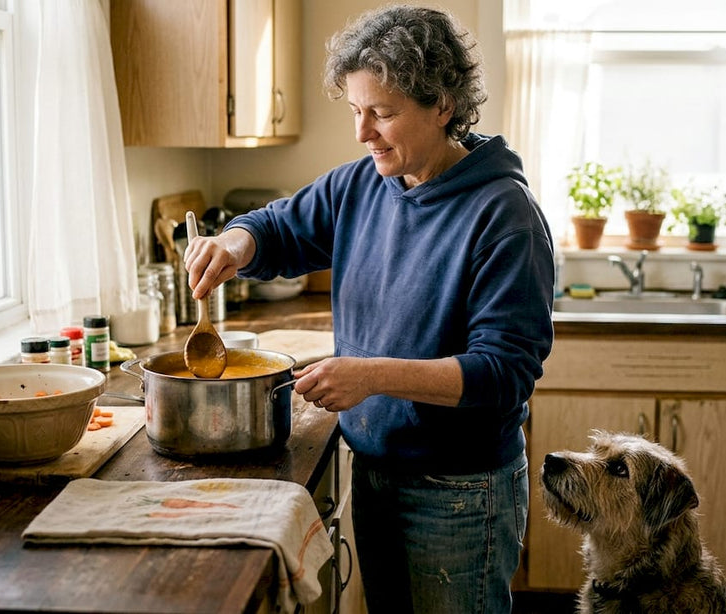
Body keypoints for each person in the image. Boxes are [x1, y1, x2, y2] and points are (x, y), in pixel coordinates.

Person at [183, 5, 554, 612]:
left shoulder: (503, 215)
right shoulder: (362, 184)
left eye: (381, 113)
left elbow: (503, 373)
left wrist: (371, 375)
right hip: (378, 472)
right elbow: (276, 227)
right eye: (356, 110)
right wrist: (233, 243)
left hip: (461, 492)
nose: (363, 132)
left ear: (443, 104)